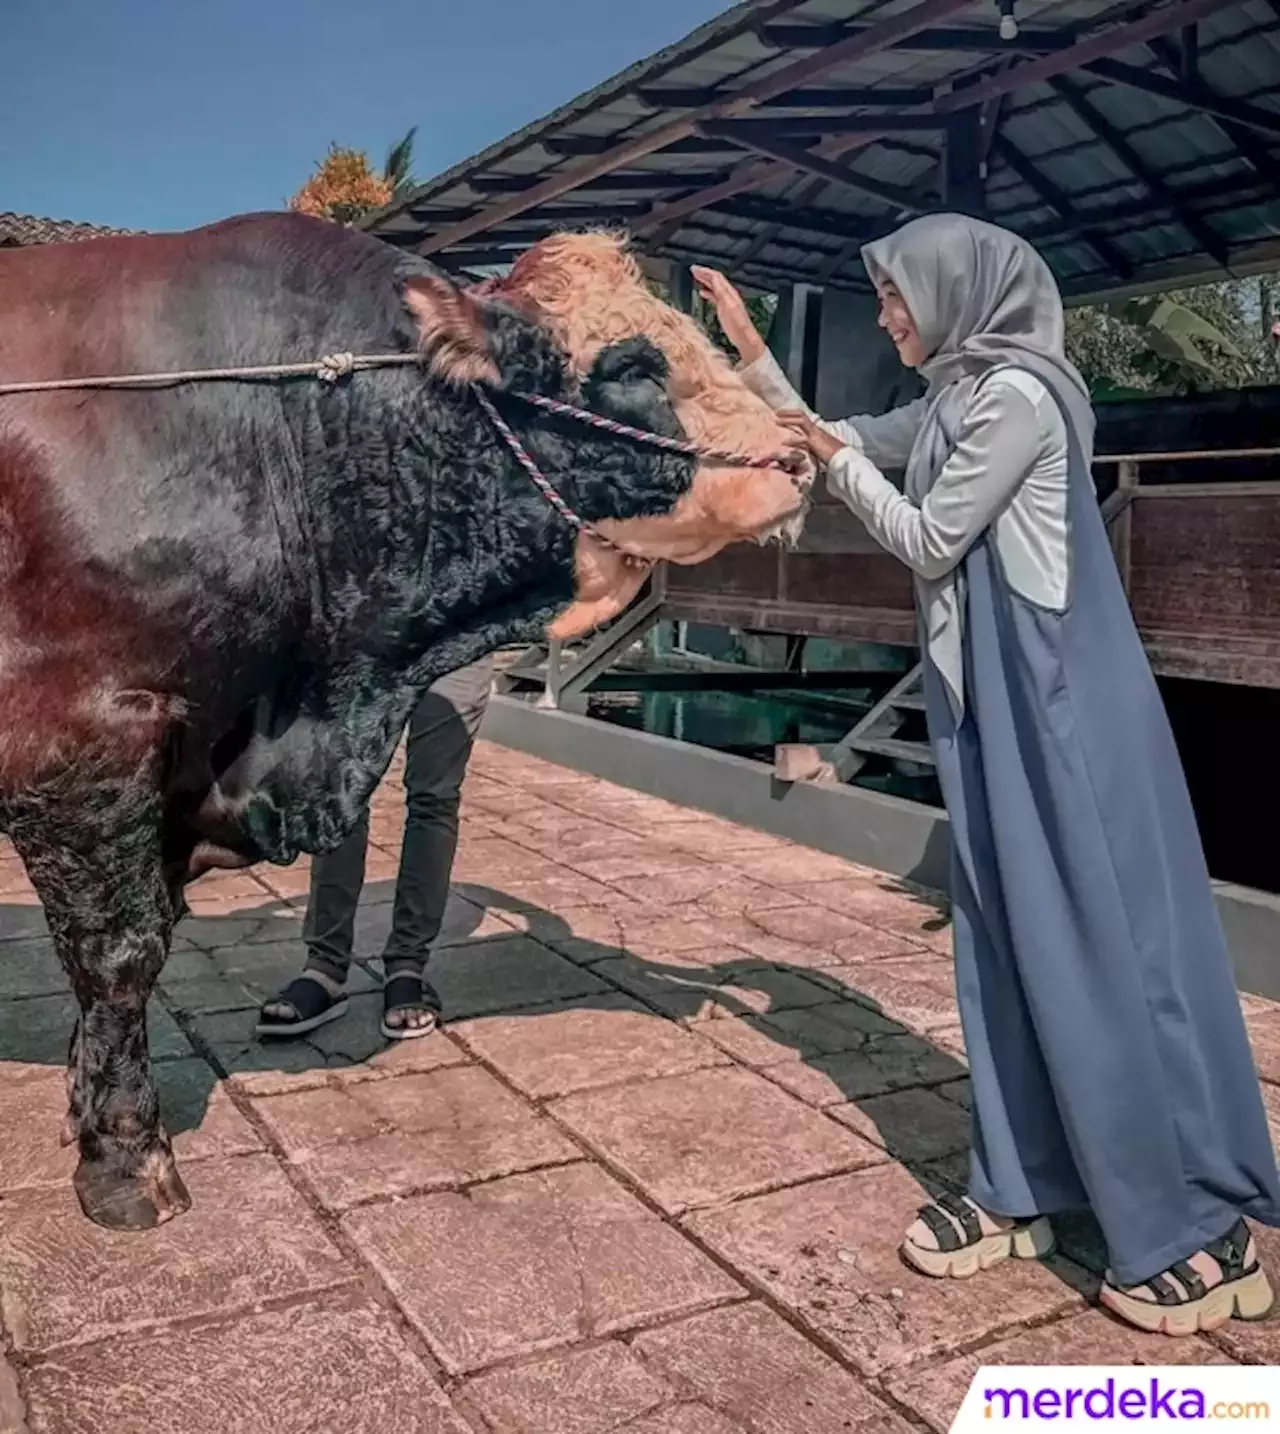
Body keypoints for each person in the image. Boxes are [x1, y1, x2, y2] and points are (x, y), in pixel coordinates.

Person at [693, 215, 1280, 1338]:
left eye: (895, 295)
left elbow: (924, 539)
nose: (883, 315)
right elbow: (834, 431)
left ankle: (1193, 1226)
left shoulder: (1016, 397)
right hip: (989, 704)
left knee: (1102, 949)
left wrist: (834, 458)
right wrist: (745, 350)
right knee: (1002, 940)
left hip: (1059, 708)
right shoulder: (959, 395)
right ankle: (1024, 1187)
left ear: (954, 292)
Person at [256, 655, 492, 1041]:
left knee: (434, 797)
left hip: (463, 632)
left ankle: (407, 966)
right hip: (374, 624)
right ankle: (325, 968)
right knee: (343, 792)